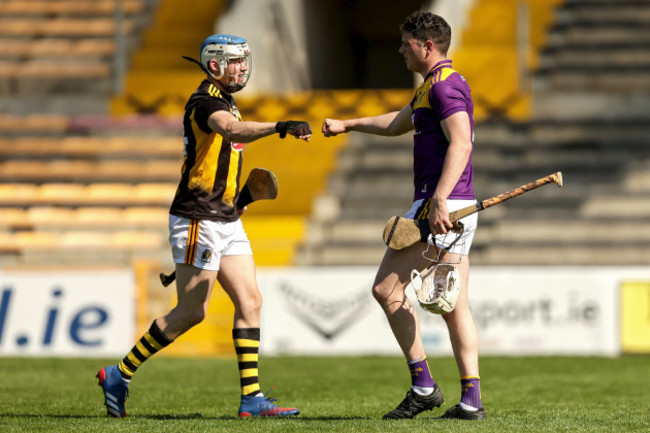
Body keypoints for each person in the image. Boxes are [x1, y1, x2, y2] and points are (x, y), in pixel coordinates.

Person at [96, 34, 311, 418]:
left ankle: (252, 400)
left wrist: (239, 200)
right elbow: (229, 130)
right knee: (192, 312)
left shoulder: (226, 100)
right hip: (198, 218)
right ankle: (118, 374)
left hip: (225, 217)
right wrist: (281, 126)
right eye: (235, 61)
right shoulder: (206, 102)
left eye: (246, 60)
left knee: (250, 301)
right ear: (214, 65)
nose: (243, 67)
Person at [322, 12, 485, 420]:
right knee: (453, 305)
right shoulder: (434, 86)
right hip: (450, 203)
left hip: (440, 205)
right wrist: (349, 124)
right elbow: (399, 123)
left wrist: (441, 200)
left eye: (406, 43)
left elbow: (461, 144)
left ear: (427, 46)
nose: (400, 50)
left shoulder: (444, 87)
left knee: (386, 289)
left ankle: (424, 384)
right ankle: (470, 401)